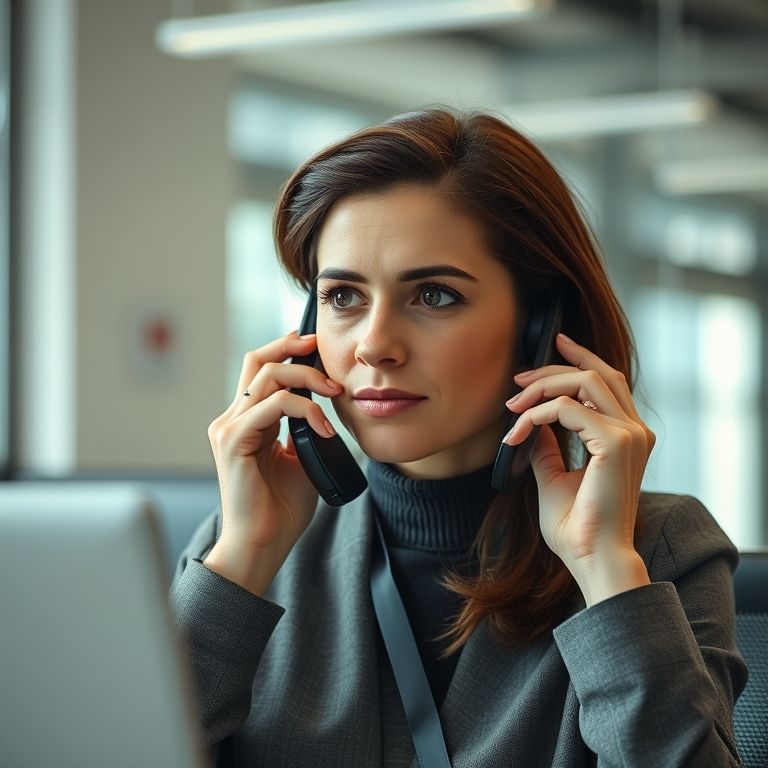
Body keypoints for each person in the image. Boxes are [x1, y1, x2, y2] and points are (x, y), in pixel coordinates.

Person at [171, 106, 748, 767]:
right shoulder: (248, 546)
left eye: (435, 296)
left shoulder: (654, 549)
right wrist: (243, 560)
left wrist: (604, 570)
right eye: (343, 298)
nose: (375, 345)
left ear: (538, 326)